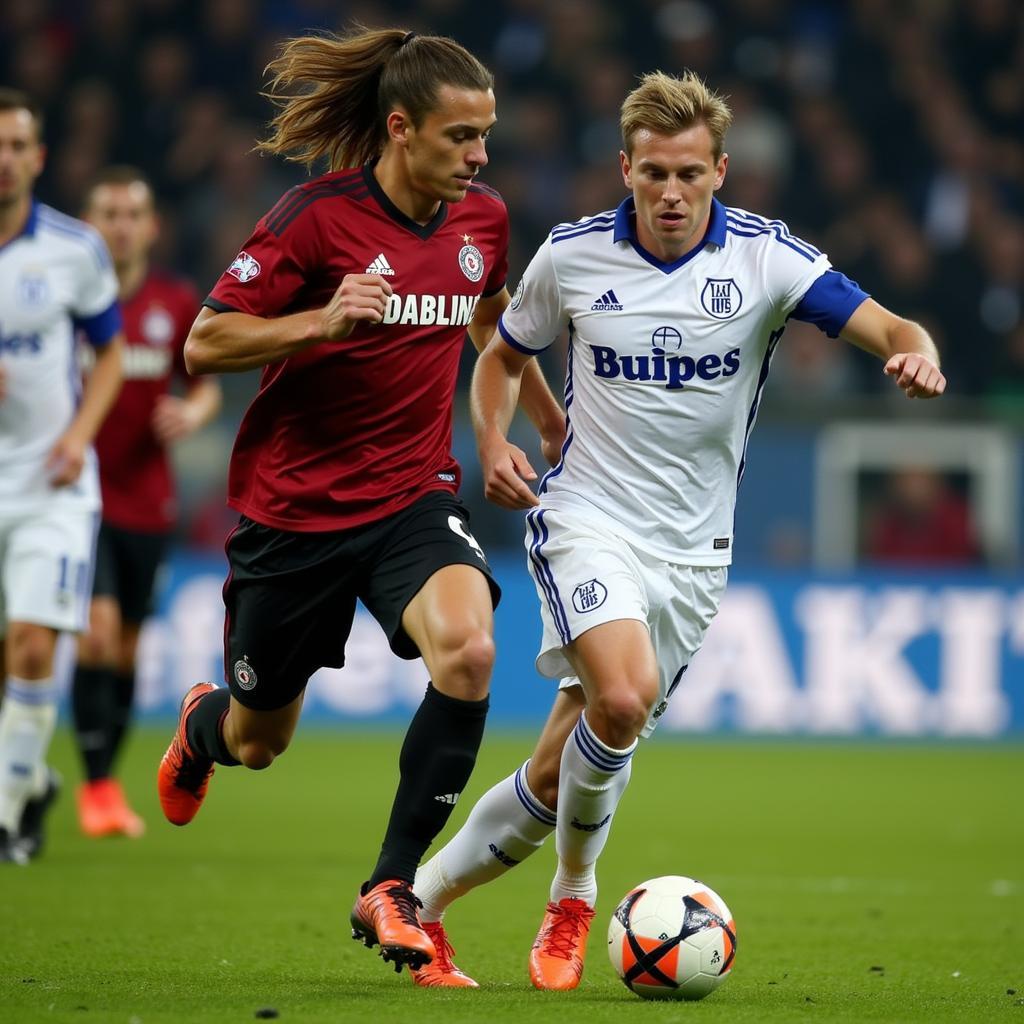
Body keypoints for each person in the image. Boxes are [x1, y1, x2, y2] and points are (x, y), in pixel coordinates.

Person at [411, 70, 946, 989]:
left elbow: (893, 324)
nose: (670, 192)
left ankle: (415, 904)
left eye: (690, 174)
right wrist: (493, 439)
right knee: (620, 701)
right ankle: (574, 900)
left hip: (695, 557)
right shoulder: (573, 257)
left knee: (557, 773)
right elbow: (500, 356)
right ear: (625, 167)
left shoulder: (769, 262)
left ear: (721, 173)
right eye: (653, 172)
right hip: (586, 517)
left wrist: (917, 354)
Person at [154, 26, 564, 974]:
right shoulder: (315, 218)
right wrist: (322, 318)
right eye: (461, 136)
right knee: (261, 742)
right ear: (400, 128)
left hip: (412, 495)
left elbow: (492, 322)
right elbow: (204, 346)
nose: (480, 155)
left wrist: (534, 419)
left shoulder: (482, 221)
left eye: (486, 135)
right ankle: (200, 728)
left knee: (468, 652)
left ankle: (392, 886)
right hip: (294, 513)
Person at [72, 166, 222, 839]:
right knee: (97, 632)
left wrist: (191, 415)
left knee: (128, 647)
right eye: (109, 212)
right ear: (90, 224)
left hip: (148, 498)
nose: (122, 225)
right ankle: (97, 786)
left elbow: (206, 384)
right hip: (75, 494)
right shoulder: (66, 298)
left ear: (151, 226)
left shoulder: (173, 299)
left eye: (133, 213)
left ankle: (103, 777)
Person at [0, 88, 124, 864]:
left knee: (34, 647)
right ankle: (31, 780)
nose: (4, 159)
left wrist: (81, 434)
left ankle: (9, 814)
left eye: (17, 145)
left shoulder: (75, 249)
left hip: (52, 483)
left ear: (38, 158)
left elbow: (109, 350)